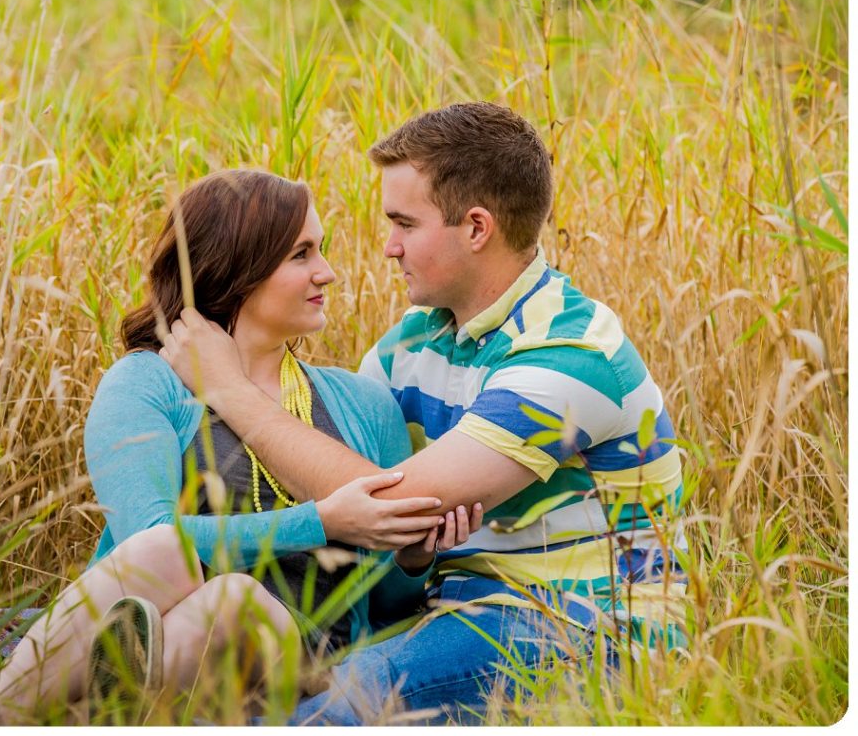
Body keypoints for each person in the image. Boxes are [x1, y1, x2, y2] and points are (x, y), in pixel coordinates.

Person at [160, 102, 689, 724]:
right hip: (445, 611)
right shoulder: (411, 345)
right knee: (221, 684)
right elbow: (369, 523)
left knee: (342, 704)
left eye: (404, 224)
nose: (388, 247)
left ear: (476, 228)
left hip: (581, 627)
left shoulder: (571, 355)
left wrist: (228, 388)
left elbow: (388, 502)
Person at [0, 169, 477, 725]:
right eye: (301, 254)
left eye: (320, 251)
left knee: (242, 606)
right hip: (186, 635)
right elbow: (139, 545)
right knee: (200, 578)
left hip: (304, 662)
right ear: (238, 267)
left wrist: (412, 558)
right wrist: (321, 521)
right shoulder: (146, 384)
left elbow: (388, 609)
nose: (327, 273)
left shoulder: (361, 403)